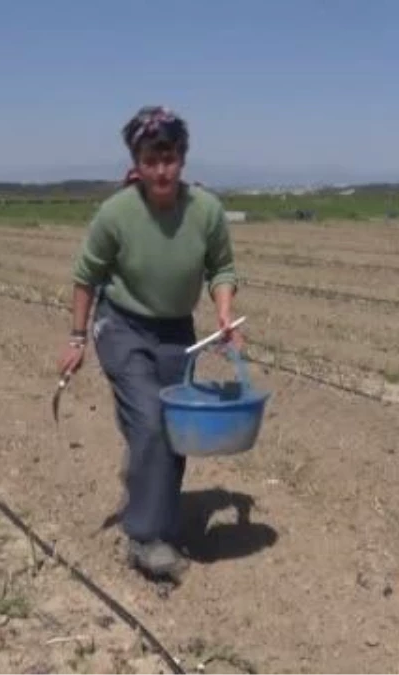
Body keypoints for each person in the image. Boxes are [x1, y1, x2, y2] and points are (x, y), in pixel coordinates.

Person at [58, 105, 241, 581]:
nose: (161, 170)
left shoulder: (206, 210)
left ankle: (154, 507)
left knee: (173, 430)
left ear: (183, 158)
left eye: (171, 158)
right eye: (151, 159)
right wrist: (77, 338)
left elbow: (221, 267)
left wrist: (223, 312)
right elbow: (85, 277)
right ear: (136, 162)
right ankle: (144, 536)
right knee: (151, 423)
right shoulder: (116, 213)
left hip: (176, 331)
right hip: (121, 326)